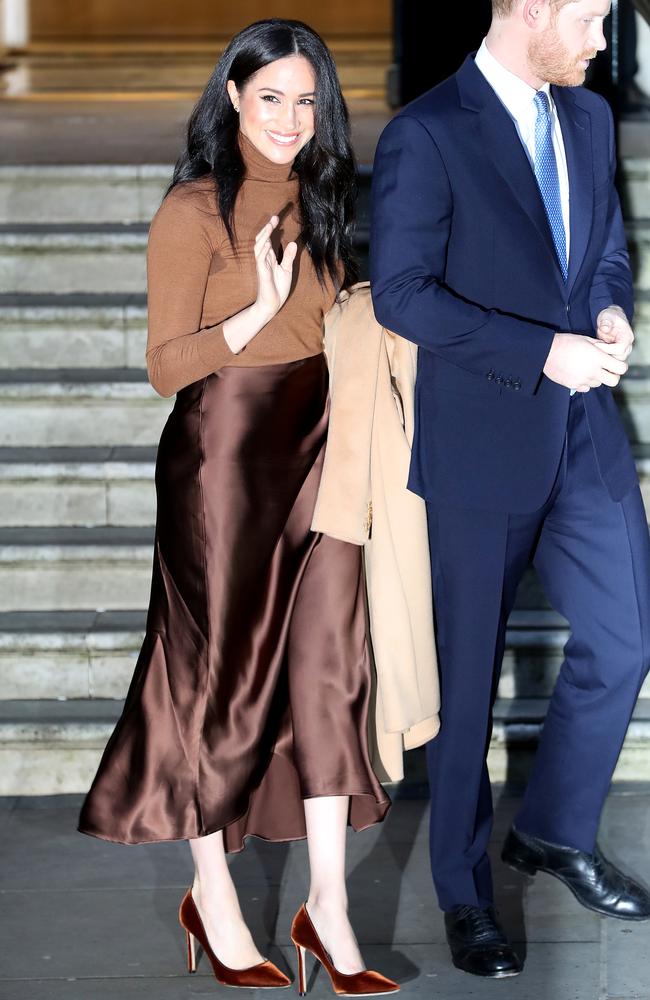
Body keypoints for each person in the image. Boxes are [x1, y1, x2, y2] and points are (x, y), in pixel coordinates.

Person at [78, 19, 398, 996]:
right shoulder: (191, 211)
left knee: (331, 668)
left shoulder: (336, 195)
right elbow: (162, 367)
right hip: (221, 458)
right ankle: (213, 896)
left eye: (307, 101)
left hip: (326, 449)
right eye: (270, 98)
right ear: (232, 97)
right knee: (220, 674)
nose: (290, 121)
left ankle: (328, 910)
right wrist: (250, 318)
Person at [371, 0, 650, 980]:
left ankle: (551, 831)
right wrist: (542, 349)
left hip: (584, 438)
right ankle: (461, 888)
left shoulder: (584, 115)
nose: (601, 39)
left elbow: (602, 247)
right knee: (467, 685)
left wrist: (608, 306)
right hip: (481, 441)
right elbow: (401, 291)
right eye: (588, 17)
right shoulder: (427, 131)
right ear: (527, 9)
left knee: (625, 635)